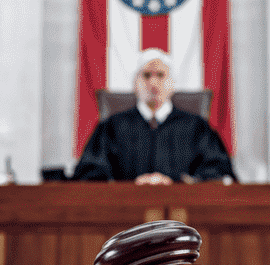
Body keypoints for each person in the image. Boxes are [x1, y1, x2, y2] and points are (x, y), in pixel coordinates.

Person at [72, 50, 236, 183]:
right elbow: (90, 172)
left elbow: (218, 172)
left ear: (172, 84)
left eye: (160, 75)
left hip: (181, 215)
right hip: (124, 213)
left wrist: (176, 184)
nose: (153, 83)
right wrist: (131, 187)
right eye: (146, 75)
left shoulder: (196, 127)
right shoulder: (112, 127)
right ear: (135, 84)